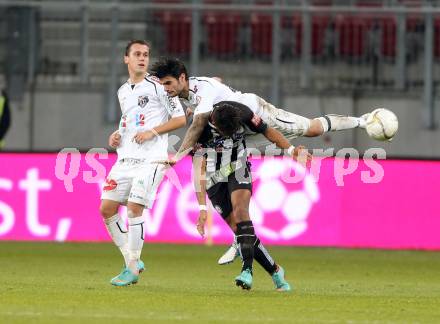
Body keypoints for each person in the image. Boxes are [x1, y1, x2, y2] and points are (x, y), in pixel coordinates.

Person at [150, 57, 371, 264]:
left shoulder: (201, 90)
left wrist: (177, 156)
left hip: (255, 114)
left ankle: (363, 120)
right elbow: (209, 91)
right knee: (213, 168)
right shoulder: (188, 91)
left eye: (168, 83)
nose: (166, 88)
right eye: (163, 85)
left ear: (182, 78)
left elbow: (198, 124)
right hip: (236, 132)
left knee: (311, 129)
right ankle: (240, 239)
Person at [176, 100, 311, 290]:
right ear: (215, 123)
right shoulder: (200, 131)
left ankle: (247, 271)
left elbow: (267, 130)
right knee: (242, 233)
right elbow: (199, 170)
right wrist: (201, 207)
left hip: (238, 168)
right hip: (214, 179)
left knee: (241, 214)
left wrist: (290, 150)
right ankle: (275, 271)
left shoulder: (243, 113)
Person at [100, 40, 186, 286]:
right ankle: (131, 259)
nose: (142, 58)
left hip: (152, 158)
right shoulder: (122, 91)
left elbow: (179, 119)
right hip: (126, 158)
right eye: (137, 54)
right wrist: (116, 136)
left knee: (134, 208)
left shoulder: (159, 86)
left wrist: (153, 132)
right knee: (106, 209)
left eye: (146, 55)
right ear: (126, 59)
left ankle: (132, 269)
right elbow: (129, 121)